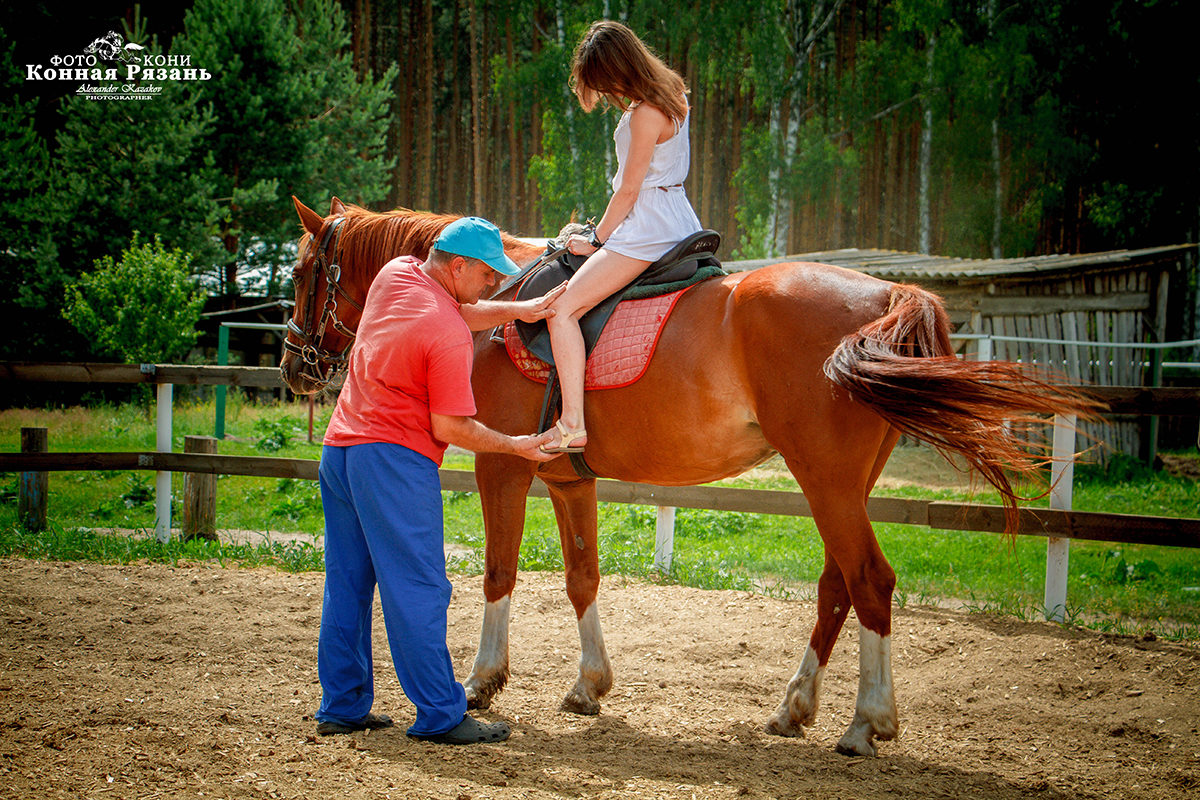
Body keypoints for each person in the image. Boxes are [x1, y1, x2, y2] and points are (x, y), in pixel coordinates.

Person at [315, 216, 564, 745]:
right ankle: (440, 714)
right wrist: (517, 445)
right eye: (488, 275)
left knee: (347, 583)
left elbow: (461, 306)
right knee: (419, 588)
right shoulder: (446, 336)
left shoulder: (398, 273)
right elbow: (450, 426)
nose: (495, 283)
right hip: (392, 461)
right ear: (458, 266)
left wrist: (519, 310)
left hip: (339, 451)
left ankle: (342, 704)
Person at [540, 20, 703, 454]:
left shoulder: (643, 114)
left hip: (647, 227)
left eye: (603, 80)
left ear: (616, 69)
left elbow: (629, 190)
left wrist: (596, 239)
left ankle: (571, 423)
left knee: (562, 309)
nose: (606, 92)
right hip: (679, 216)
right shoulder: (672, 93)